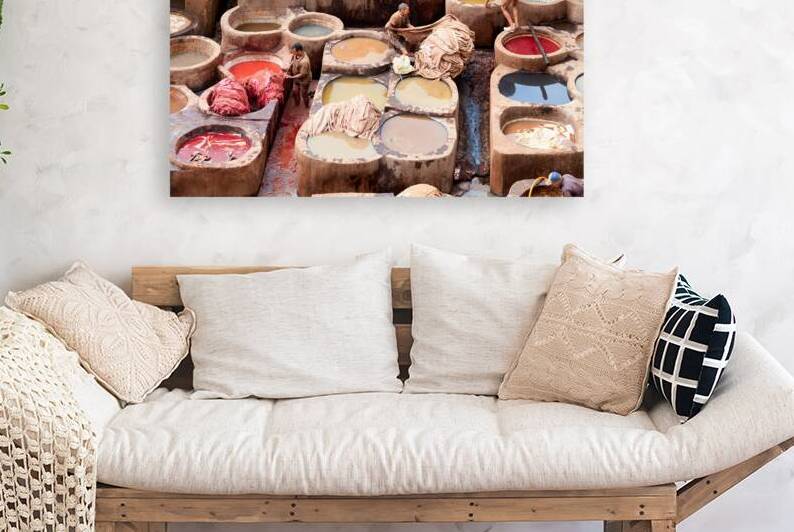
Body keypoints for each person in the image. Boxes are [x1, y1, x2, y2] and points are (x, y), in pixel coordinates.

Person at [284, 43, 312, 108]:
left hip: (304, 80)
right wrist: (290, 64)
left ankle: (307, 106)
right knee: (295, 91)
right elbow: (294, 60)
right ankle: (297, 104)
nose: (293, 54)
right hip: (296, 78)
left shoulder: (304, 62)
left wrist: (291, 77)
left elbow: (302, 74)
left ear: (299, 51)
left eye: (294, 52)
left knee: (304, 94)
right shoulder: (297, 55)